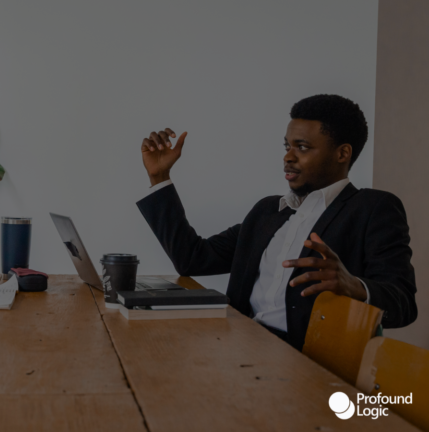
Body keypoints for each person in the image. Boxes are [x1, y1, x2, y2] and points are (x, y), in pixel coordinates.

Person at [136, 94, 417, 350]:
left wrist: (353, 285)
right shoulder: (268, 211)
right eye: (287, 146)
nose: (288, 156)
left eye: (302, 147)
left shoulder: (372, 208)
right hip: (238, 343)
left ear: (342, 153)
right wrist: (159, 178)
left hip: (308, 363)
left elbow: (403, 304)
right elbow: (192, 259)